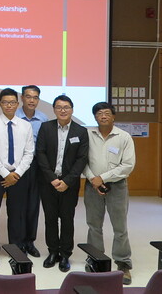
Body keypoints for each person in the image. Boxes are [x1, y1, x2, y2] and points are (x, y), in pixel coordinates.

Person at [83, 102, 136, 285]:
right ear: (95, 117)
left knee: (120, 228)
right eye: (99, 113)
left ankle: (123, 264)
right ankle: (97, 260)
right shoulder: (88, 135)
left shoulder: (124, 137)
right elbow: (82, 160)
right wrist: (93, 179)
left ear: (113, 116)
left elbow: (128, 165)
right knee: (93, 225)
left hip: (118, 187)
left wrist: (103, 178)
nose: (103, 116)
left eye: (107, 113)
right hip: (92, 187)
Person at [36, 95, 88, 272]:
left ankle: (65, 254)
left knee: (67, 220)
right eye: (59, 107)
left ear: (72, 109)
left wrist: (67, 181)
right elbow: (40, 154)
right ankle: (53, 252)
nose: (63, 110)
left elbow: (81, 159)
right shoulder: (46, 128)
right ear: (54, 110)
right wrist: (52, 178)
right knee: (50, 219)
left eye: (66, 107)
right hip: (48, 182)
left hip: (69, 184)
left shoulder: (81, 132)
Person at [0, 88, 35, 268]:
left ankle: (15, 248)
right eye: (5, 102)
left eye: (12, 102)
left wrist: (17, 173)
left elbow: (29, 153)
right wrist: (6, 174)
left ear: (17, 104)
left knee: (16, 213)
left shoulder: (25, 125)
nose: (9, 105)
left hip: (18, 175)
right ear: (0, 104)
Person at [16, 84, 48, 258]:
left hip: (36, 165)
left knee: (33, 205)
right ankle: (19, 241)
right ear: (22, 98)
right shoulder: (15, 117)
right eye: (28, 96)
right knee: (19, 204)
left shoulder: (43, 119)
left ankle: (30, 241)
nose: (31, 100)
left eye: (35, 97)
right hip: (18, 165)